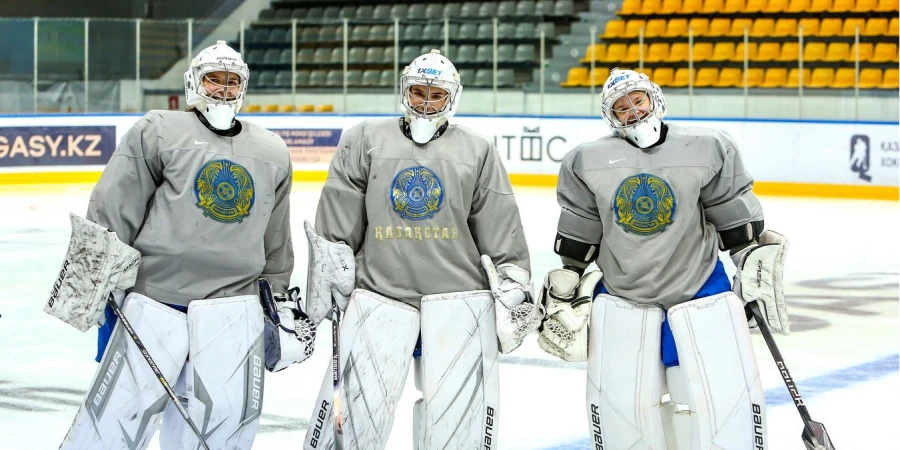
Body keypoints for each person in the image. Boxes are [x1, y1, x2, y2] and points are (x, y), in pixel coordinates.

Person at [48, 40, 315, 450]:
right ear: (194, 83)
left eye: (232, 81)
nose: (223, 89)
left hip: (232, 311)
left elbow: (275, 239)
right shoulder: (158, 130)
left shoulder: (272, 151)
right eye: (213, 80)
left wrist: (276, 301)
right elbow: (115, 206)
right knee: (116, 423)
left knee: (221, 426)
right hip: (155, 301)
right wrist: (96, 285)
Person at [536, 68, 790, 449]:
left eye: (637, 100)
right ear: (611, 117)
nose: (633, 111)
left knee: (715, 403)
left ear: (654, 98)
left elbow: (731, 212)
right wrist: (567, 280)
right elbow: (581, 226)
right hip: (623, 295)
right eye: (621, 108)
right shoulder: (586, 161)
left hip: (699, 287)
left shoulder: (706, 147)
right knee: (627, 412)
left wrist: (748, 260)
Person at [300, 49, 540, 450]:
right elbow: (340, 215)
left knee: (454, 430)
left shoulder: (478, 150)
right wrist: (330, 267)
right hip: (381, 295)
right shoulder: (364, 139)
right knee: (355, 424)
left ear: (452, 98)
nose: (426, 102)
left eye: (436, 94)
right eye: (418, 91)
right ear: (404, 91)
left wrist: (513, 280)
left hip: (459, 301)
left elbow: (500, 222)